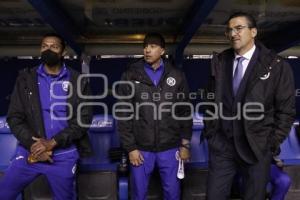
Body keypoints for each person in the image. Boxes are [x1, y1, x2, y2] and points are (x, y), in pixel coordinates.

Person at [204, 12, 295, 200]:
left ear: (253, 32)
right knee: (213, 196)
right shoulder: (220, 61)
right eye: (229, 30)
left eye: (239, 28)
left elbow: (286, 112)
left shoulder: (275, 65)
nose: (233, 33)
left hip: (256, 147)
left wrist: (269, 144)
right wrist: (212, 133)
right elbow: (212, 103)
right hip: (223, 146)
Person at [0, 33, 93, 200]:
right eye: (44, 46)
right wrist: (34, 146)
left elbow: (83, 120)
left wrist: (52, 143)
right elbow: (14, 117)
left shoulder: (78, 80)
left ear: (63, 52)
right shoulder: (25, 79)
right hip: (30, 153)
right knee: (4, 193)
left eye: (54, 46)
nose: (48, 49)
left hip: (63, 155)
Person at [116, 32, 192, 200]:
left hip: (170, 147)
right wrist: (131, 148)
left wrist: (185, 145)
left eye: (152, 46)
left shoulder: (176, 75)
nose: (147, 50)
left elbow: (184, 112)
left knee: (172, 193)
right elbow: (123, 113)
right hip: (141, 149)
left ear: (162, 51)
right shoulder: (131, 74)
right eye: (145, 46)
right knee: (139, 194)